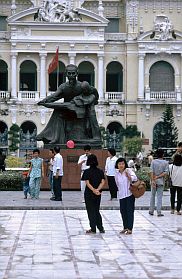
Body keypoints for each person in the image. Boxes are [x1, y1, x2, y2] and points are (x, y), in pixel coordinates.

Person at [37, 64, 101, 145]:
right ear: (66, 74)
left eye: (73, 73)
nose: (71, 75)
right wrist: (44, 101)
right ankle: (54, 138)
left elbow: (94, 92)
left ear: (77, 73)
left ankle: (96, 136)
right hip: (67, 109)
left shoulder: (81, 86)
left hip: (80, 112)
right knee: (57, 111)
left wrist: (93, 101)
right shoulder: (63, 87)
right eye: (69, 73)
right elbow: (54, 96)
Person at [81, 154, 105, 234]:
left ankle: (93, 228)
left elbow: (87, 183)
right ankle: (101, 228)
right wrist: (97, 189)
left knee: (90, 211)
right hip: (98, 193)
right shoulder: (100, 171)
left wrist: (93, 190)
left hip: (89, 193)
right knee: (96, 210)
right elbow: (103, 182)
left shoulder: (87, 172)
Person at [115, 158, 138, 235]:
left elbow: (135, 178)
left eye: (122, 164)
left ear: (125, 164)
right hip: (121, 195)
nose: (121, 165)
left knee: (129, 211)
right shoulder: (117, 173)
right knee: (123, 211)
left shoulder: (128, 170)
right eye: (119, 164)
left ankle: (130, 228)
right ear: (117, 165)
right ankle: (125, 227)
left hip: (129, 194)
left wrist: (129, 177)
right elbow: (117, 184)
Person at [149, 149, 169, 217]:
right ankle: (159, 212)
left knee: (152, 196)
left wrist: (153, 180)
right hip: (160, 181)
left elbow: (151, 171)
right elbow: (166, 172)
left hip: (153, 181)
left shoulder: (153, 162)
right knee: (159, 197)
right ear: (163, 154)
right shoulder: (166, 162)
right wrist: (158, 177)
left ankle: (151, 211)